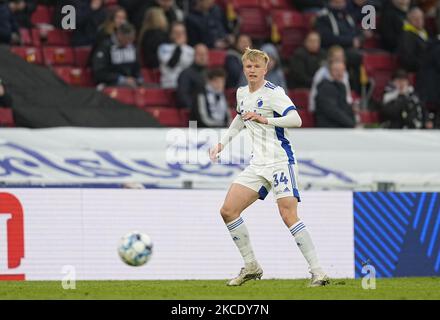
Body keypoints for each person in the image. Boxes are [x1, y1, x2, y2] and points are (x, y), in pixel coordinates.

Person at [208, 48, 329, 287]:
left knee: (288, 215)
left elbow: (296, 120)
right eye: (248, 66)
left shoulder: (274, 93)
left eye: (256, 67)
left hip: (280, 161)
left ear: (265, 69)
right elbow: (240, 119)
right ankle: (251, 265)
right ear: (244, 69)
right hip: (258, 164)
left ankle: (318, 272)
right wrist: (222, 143)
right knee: (228, 210)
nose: (252, 70)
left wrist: (266, 119)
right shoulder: (242, 93)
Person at [91, 22, 143, 87]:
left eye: (132, 39)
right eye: (127, 39)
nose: (129, 42)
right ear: (119, 35)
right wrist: (121, 79)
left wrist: (138, 78)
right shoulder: (105, 46)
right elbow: (99, 72)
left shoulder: (132, 47)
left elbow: (136, 67)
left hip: (130, 83)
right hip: (109, 83)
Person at [309, 45, 352, 112]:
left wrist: (349, 105)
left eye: (341, 57)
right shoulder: (321, 73)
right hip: (325, 106)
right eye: (336, 57)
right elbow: (314, 91)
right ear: (330, 58)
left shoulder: (345, 73)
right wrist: (312, 108)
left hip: (340, 106)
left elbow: (347, 91)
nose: (339, 59)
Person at [315, 60, 356, 127]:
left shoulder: (342, 86)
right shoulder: (325, 87)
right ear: (330, 71)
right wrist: (351, 123)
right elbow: (332, 111)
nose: (340, 73)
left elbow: (344, 106)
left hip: (340, 126)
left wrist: (353, 121)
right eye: (336, 70)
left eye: (342, 70)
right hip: (328, 128)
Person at [158, 22, 194, 88]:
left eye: (182, 33)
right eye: (177, 33)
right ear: (171, 34)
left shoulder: (191, 50)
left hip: (187, 85)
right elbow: (171, 64)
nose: (180, 35)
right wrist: (178, 47)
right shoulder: (164, 48)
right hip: (170, 84)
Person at [177, 43, 209, 109]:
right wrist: (195, 109)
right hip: (193, 115)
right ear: (193, 55)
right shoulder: (186, 74)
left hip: (209, 112)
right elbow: (183, 96)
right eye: (200, 54)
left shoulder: (209, 73)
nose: (203, 57)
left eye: (205, 54)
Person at [397, 7, 429, 73]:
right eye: (415, 19)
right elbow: (407, 59)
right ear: (409, 20)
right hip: (419, 72)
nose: (419, 21)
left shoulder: (424, 33)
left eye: (421, 18)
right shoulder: (407, 36)